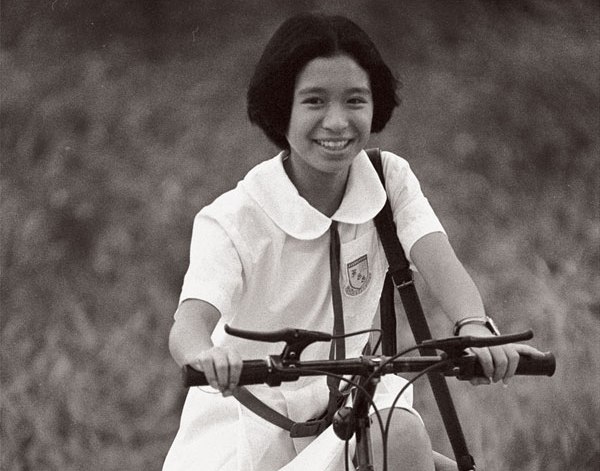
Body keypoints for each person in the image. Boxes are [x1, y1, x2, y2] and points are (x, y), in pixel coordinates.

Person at [163, 13, 544, 471]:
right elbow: (189, 324)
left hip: (351, 415)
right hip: (249, 437)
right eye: (314, 101)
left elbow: (441, 264)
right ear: (281, 107)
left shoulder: (388, 179)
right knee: (399, 436)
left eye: (355, 100)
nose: (337, 121)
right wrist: (207, 357)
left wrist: (475, 328)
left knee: (404, 437)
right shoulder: (232, 218)